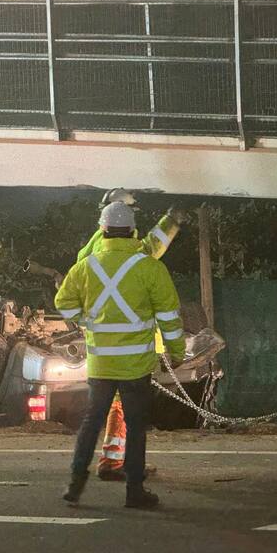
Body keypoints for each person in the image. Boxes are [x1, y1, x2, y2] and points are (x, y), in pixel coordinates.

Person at [56, 202, 185, 509]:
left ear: (102, 230)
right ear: (133, 232)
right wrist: (176, 351)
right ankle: (134, 491)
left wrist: (88, 323)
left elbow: (64, 302)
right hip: (136, 365)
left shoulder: (87, 266)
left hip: (101, 363)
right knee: (136, 426)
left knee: (91, 423)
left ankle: (75, 485)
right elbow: (169, 316)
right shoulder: (150, 267)